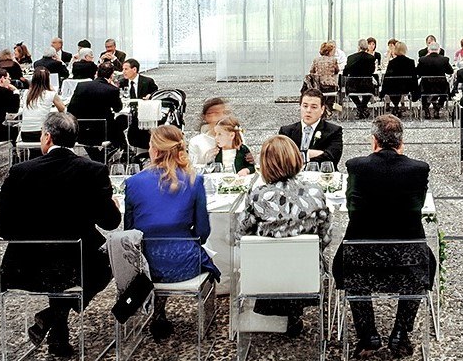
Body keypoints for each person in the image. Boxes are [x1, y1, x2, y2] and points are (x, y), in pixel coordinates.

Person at [0, 112, 119, 358]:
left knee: (59, 268)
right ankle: (54, 318)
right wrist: (112, 206)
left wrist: (33, 235)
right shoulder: (94, 170)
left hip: (27, 263)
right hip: (79, 259)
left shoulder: (20, 171)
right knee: (112, 260)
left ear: (47, 137)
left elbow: (1, 226)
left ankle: (55, 322)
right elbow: (110, 222)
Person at [333, 115, 434, 357]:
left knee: (348, 262)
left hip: (362, 259)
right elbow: (417, 204)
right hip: (407, 261)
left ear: (374, 141)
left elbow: (353, 207)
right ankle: (400, 333)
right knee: (423, 262)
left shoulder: (356, 166)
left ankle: (367, 334)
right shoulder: (419, 169)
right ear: (401, 142)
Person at [123, 126, 219, 340]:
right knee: (201, 257)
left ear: (155, 151)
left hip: (145, 266)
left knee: (155, 252)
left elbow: (128, 231)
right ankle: (163, 312)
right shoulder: (195, 181)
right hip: (183, 263)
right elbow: (203, 231)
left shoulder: (133, 183)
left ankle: (158, 311)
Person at [237, 134, 331, 336]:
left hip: (266, 275)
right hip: (306, 274)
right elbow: (325, 234)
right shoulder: (315, 192)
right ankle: (294, 312)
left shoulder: (257, 196)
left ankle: (282, 312)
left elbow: (242, 233)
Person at [279, 88, 344, 166]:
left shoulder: (334, 131)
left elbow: (331, 158)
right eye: (305, 106)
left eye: (314, 107)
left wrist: (300, 155)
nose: (308, 110)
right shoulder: (286, 131)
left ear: (322, 109)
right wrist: (313, 154)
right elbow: (281, 157)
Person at [67, 72, 124, 158]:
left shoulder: (81, 86)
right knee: (123, 119)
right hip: (104, 131)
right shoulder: (112, 89)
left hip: (82, 131)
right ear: (111, 75)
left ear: (96, 74)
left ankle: (98, 156)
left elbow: (71, 108)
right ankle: (107, 153)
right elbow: (118, 108)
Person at [18, 67, 66, 155]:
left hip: (25, 133)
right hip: (40, 133)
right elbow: (62, 109)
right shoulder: (50, 94)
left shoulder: (26, 93)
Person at [414, 39, 454, 118]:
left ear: (428, 50)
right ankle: (438, 107)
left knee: (423, 87)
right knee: (445, 87)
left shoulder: (422, 59)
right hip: (441, 88)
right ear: (439, 50)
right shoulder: (444, 60)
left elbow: (418, 72)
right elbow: (450, 72)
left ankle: (426, 109)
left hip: (426, 87)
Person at [187, 98, 229, 169]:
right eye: (210, 114)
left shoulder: (234, 136)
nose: (214, 118)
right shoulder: (196, 142)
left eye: (217, 113)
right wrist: (206, 160)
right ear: (204, 117)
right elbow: (192, 169)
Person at [342, 43, 379, 118]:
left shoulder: (351, 57)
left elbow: (345, 73)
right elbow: (372, 71)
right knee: (370, 90)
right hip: (366, 86)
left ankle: (360, 108)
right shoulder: (371, 57)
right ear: (366, 48)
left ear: (358, 47)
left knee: (349, 90)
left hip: (353, 87)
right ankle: (363, 107)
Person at [379, 40, 418, 110]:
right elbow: (414, 77)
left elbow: (387, 78)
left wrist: (383, 92)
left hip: (393, 88)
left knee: (392, 87)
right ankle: (396, 106)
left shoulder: (391, 63)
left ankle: (396, 105)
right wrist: (415, 90)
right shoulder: (410, 62)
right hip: (406, 88)